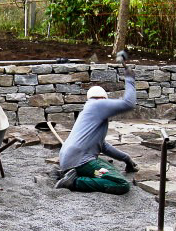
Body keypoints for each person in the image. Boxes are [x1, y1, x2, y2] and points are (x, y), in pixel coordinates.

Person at [55, 67, 138, 195]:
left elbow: (103, 146)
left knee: (108, 170)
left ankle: (70, 175)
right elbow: (129, 103)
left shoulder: (88, 111)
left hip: (70, 161)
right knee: (121, 183)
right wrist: (130, 79)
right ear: (104, 98)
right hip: (83, 163)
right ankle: (75, 182)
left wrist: (126, 159)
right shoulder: (98, 105)